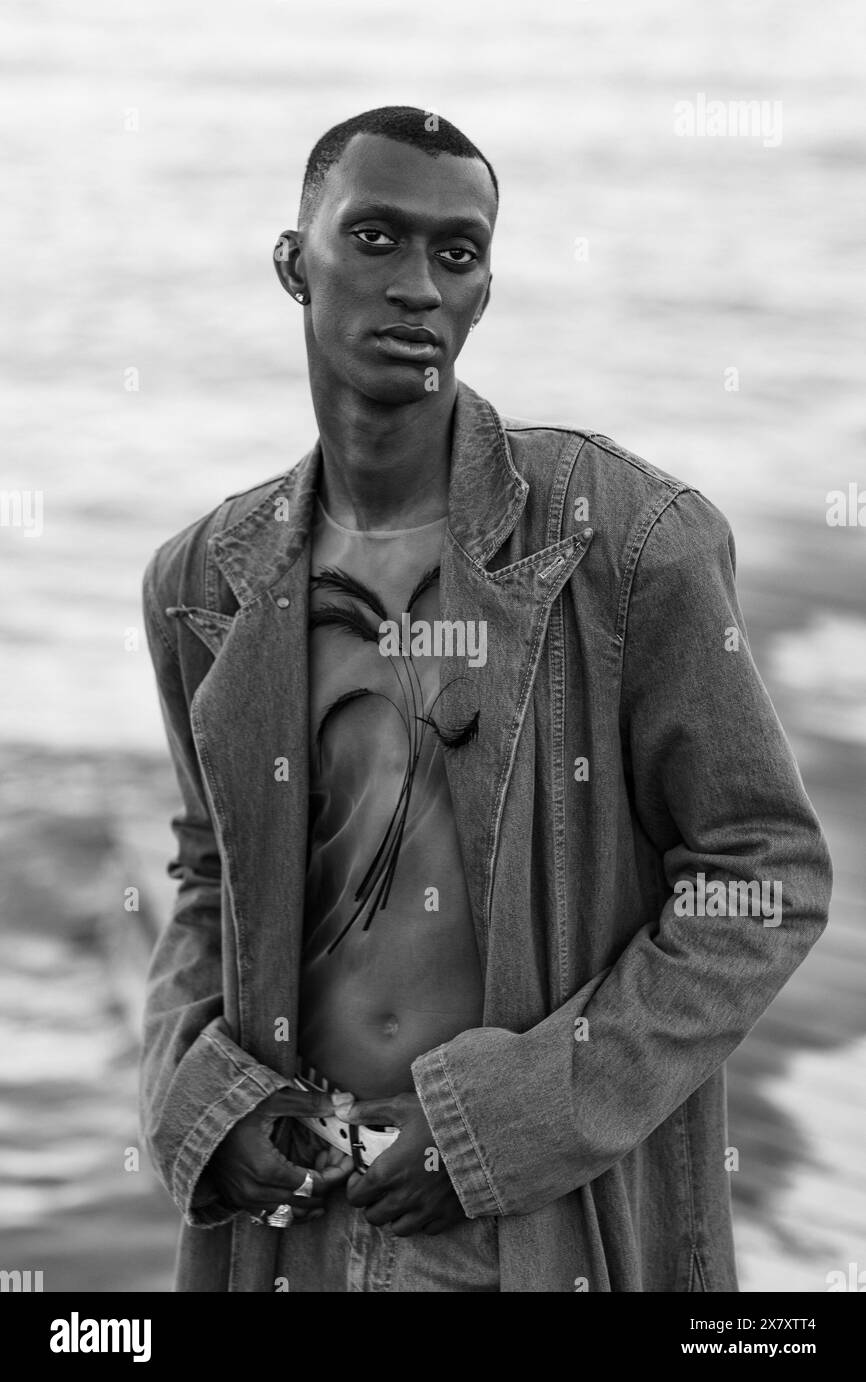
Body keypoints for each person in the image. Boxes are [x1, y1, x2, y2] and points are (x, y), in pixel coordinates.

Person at [140, 105, 832, 1292]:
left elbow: (760, 880)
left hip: (523, 1230)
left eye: (454, 255)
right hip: (295, 1222)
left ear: (483, 295)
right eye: (374, 239)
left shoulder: (627, 542)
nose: (415, 285)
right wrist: (201, 1100)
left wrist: (494, 1130)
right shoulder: (205, 582)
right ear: (292, 263)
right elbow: (213, 870)